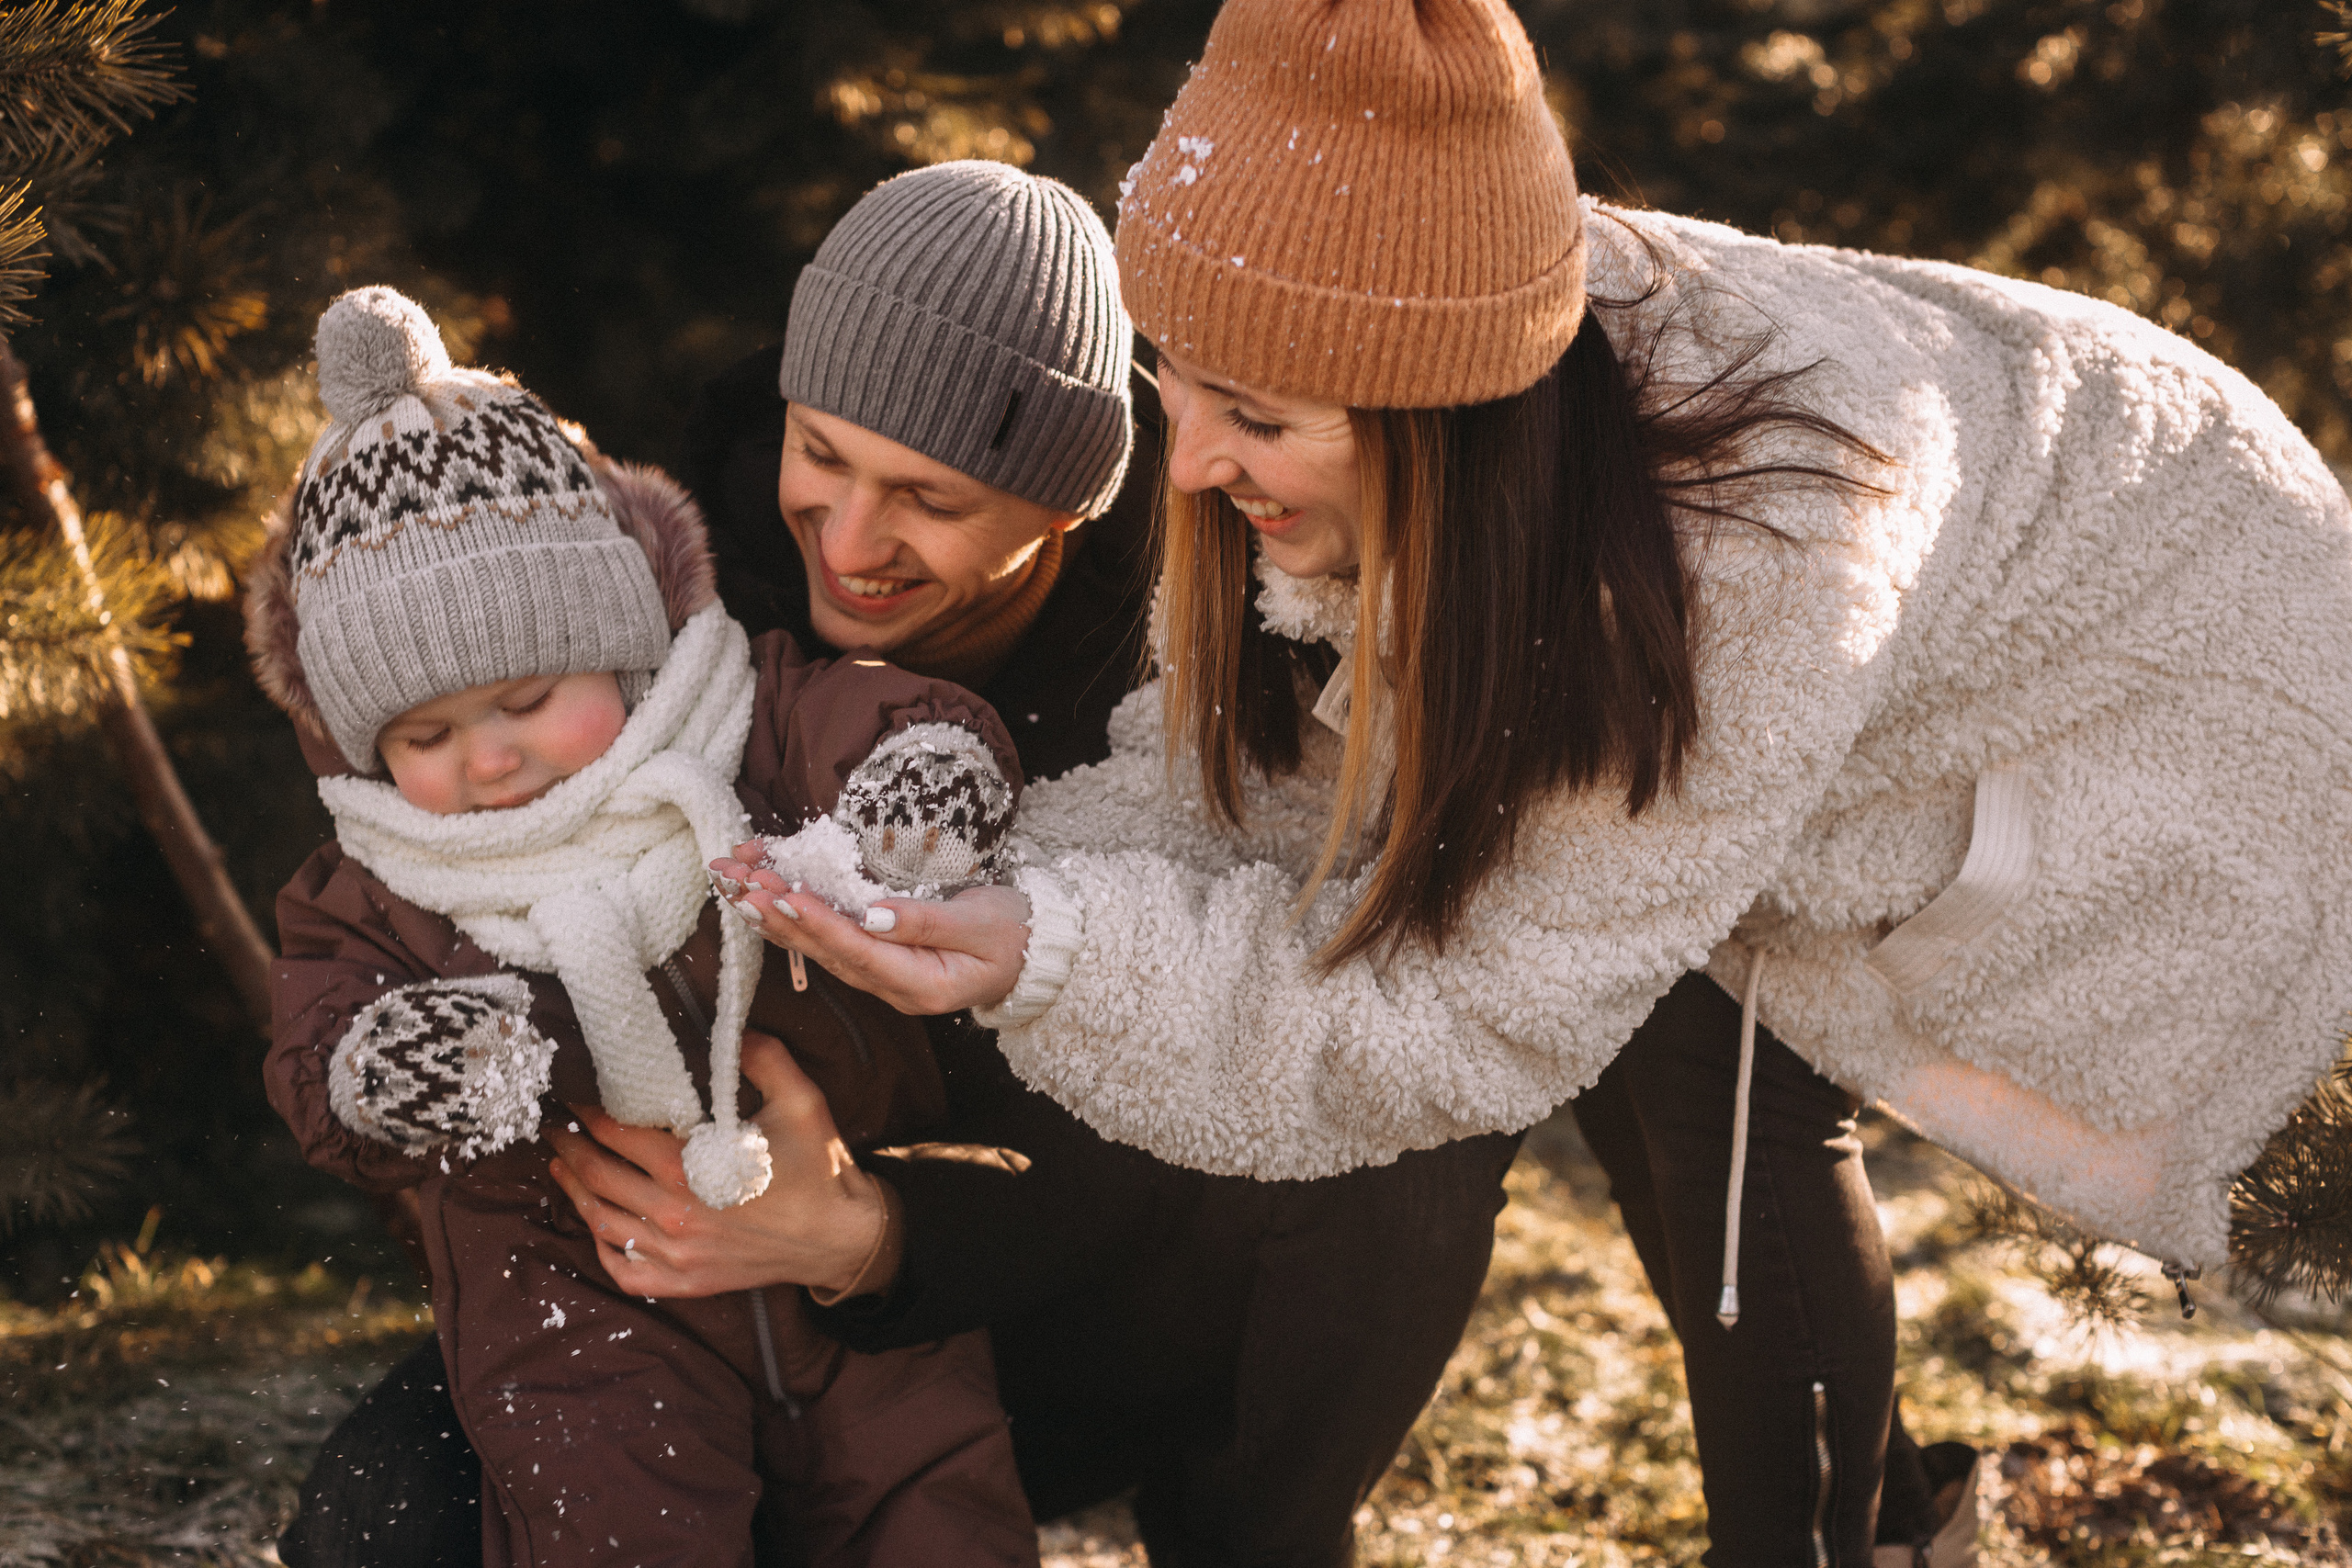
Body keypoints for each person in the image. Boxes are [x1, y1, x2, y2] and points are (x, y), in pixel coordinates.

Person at [721, 1, 2352, 1563]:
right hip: (1877, 618)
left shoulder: (1755, 563)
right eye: (1180, 387)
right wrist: (1010, 901)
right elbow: (1248, 805)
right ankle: (1881, 1517)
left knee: (1722, 1090)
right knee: (1675, 1041)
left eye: (1256, 419)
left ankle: (1853, 1547)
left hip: (2155, 669)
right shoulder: (1401, 348)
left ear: (1428, 424)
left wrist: (1051, 951)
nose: (1191, 466)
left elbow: (1464, 1018)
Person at [254, 285, 1042, 1568]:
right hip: (584, 1313)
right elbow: (318, 1052)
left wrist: (921, 792)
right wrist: (403, 1064)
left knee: (931, 1507)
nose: (491, 762)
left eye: (526, 699)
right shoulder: (383, 881)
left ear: (621, 656)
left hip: (844, 1269)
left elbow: (881, 716)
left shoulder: (738, 725)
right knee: (620, 1530)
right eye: (426, 736)